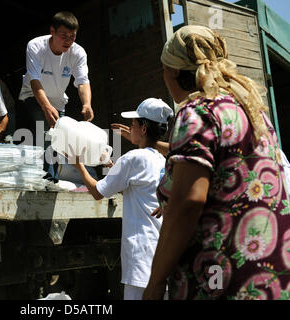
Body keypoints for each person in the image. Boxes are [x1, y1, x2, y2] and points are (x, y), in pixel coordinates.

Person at [143, 26, 290, 300]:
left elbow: (189, 202)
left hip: (223, 281)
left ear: (173, 71)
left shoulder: (197, 112)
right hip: (272, 276)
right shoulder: (252, 111)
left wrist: (155, 281)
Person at [66, 98, 173, 300]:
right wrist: (113, 169)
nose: (129, 128)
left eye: (133, 124)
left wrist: (78, 164)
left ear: (143, 128)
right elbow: (137, 192)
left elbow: (98, 192)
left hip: (141, 258)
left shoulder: (133, 158)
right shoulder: (162, 161)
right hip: (161, 254)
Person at [19, 11, 94, 181]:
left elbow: (82, 81)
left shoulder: (78, 53)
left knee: (58, 140)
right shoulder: (36, 46)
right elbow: (35, 80)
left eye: (72, 36)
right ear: (52, 31)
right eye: (64, 36)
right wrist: (46, 106)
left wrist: (87, 104)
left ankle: (51, 179)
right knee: (45, 131)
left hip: (58, 101)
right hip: (34, 95)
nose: (68, 41)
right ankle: (46, 178)